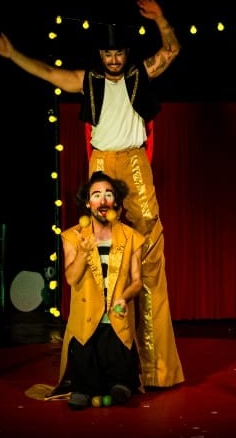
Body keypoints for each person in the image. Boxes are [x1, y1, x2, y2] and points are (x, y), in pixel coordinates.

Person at [0, 0, 184, 389]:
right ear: (101, 55)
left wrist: (161, 18)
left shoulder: (140, 73)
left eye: (118, 53)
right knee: (99, 252)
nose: (113, 60)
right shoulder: (88, 81)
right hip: (102, 164)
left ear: (126, 54)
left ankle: (154, 367)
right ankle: (97, 364)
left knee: (147, 252)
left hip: (134, 162)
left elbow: (171, 49)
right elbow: (48, 72)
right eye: (108, 54)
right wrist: (12, 55)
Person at [58, 171, 145, 409]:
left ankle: (119, 385)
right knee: (84, 370)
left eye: (108, 194)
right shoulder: (73, 236)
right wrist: (85, 252)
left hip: (116, 320)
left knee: (119, 374)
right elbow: (71, 278)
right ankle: (85, 388)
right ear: (88, 203)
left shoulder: (132, 237)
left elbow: (137, 281)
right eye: (96, 195)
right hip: (86, 321)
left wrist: (123, 298)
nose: (103, 200)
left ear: (116, 201)